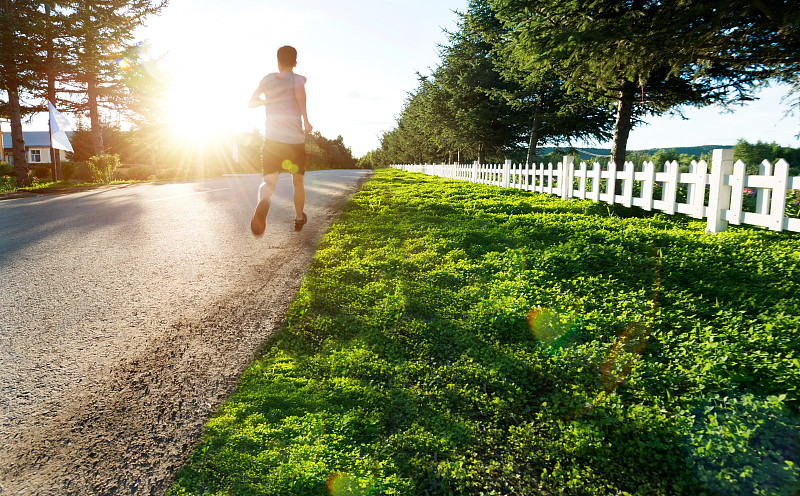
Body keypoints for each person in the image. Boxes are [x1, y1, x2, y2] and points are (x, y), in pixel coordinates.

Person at [248, 45, 313, 235]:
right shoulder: (298, 79)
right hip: (294, 141)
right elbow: (301, 95)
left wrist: (267, 101)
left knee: (269, 181)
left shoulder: (267, 80)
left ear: (277, 61)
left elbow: (251, 103)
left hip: (272, 140)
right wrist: (306, 121)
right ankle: (299, 218)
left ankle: (263, 201)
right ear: (295, 62)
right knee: (297, 181)